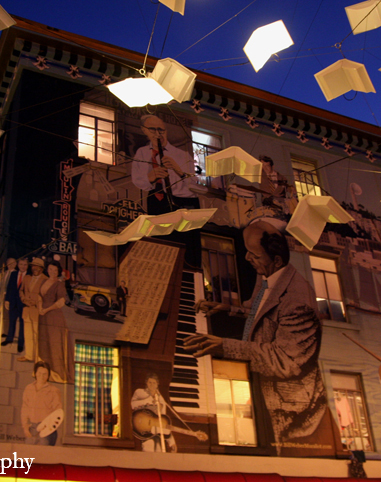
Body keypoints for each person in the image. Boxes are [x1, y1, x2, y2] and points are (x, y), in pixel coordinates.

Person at [183, 220, 326, 453]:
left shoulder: (298, 301)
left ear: (277, 260)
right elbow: (258, 309)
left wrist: (225, 346)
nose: (248, 259)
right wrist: (225, 308)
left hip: (290, 411)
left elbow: (284, 360)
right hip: (263, 385)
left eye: (254, 255)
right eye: (247, 252)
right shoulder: (270, 275)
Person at [131, 115, 198, 214]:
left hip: (180, 201)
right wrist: (149, 178)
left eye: (161, 130)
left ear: (166, 131)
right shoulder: (141, 153)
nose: (158, 134)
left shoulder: (182, 155)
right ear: (144, 130)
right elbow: (137, 180)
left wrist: (178, 170)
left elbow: (194, 184)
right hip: (154, 200)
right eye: (152, 130)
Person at [37, 260, 68, 382]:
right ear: (47, 270)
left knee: (54, 342)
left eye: (55, 270)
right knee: (44, 341)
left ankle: (57, 373)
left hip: (54, 315)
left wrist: (47, 309)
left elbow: (61, 302)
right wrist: (40, 307)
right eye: (50, 269)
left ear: (58, 271)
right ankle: (45, 372)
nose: (53, 272)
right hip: (43, 314)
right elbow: (39, 295)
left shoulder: (59, 284)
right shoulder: (44, 281)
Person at [130, 373, 177, 452]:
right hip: (144, 429)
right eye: (150, 382)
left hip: (157, 431)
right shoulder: (139, 392)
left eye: (154, 383)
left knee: (160, 452)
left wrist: (172, 442)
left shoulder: (160, 399)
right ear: (146, 383)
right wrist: (147, 400)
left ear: (157, 384)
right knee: (148, 447)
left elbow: (163, 421)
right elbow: (132, 405)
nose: (152, 385)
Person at [21, 361, 63, 446]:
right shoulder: (29, 388)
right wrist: (25, 427)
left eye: (45, 374)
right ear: (35, 373)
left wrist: (48, 427)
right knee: (28, 456)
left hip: (47, 430)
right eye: (39, 373)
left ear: (48, 376)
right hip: (32, 429)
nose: (42, 376)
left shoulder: (54, 391)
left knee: (44, 456)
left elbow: (58, 412)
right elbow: (25, 408)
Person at [20, 258, 48, 362]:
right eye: (33, 266)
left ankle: (37, 357)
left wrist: (36, 302)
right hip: (27, 310)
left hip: (37, 311)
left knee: (37, 334)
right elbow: (21, 290)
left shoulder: (45, 280)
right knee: (28, 334)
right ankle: (29, 355)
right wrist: (24, 299)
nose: (34, 268)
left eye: (37, 266)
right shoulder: (27, 278)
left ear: (41, 268)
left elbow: (46, 296)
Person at [3, 258, 27, 352]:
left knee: (22, 323)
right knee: (11, 321)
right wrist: (7, 300)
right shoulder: (13, 274)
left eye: (25, 265)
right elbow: (9, 287)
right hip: (13, 302)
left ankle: (21, 344)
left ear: (27, 266)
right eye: (21, 264)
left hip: (23, 303)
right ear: (18, 265)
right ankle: (9, 338)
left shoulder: (28, 276)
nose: (23, 266)